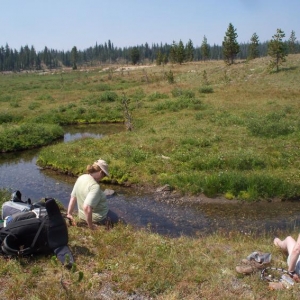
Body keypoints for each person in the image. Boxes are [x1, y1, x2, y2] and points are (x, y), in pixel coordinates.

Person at [67, 158, 120, 230]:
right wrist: (91, 226)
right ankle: (94, 224)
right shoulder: (95, 186)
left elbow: (73, 197)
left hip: (82, 216)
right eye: (104, 175)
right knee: (117, 219)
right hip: (98, 218)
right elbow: (87, 207)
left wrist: (69, 214)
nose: (103, 178)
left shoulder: (81, 177)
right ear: (101, 172)